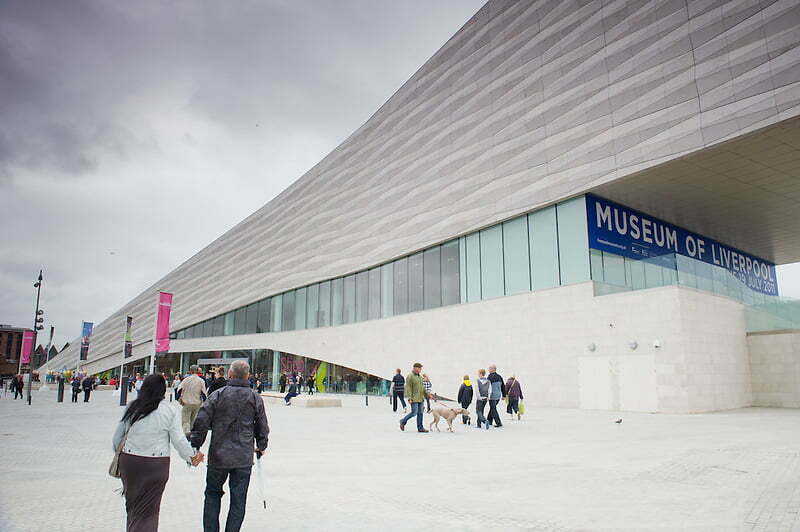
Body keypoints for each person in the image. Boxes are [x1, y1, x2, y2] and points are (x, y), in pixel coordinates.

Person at [112, 374, 204, 531]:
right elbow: (179, 441)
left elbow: (117, 438)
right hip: (155, 465)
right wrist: (192, 456)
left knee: (133, 506)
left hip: (130, 462)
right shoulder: (169, 411)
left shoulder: (133, 407)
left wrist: (121, 455)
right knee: (149, 511)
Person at [190, 360, 269, 532]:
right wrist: (261, 444)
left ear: (230, 375)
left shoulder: (218, 395)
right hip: (242, 458)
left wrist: (195, 445)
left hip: (218, 456)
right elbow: (262, 425)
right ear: (248, 376)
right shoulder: (255, 397)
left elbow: (202, 421)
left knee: (212, 494)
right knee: (238, 500)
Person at [176, 365, 207, 434]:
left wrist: (179, 398)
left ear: (190, 371)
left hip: (186, 402)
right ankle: (192, 431)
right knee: (193, 419)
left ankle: (186, 433)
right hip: (197, 403)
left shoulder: (186, 380)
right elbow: (204, 393)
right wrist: (204, 402)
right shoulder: (201, 380)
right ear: (197, 370)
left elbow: (179, 390)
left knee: (185, 420)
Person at [399, 363, 429, 433]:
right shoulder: (410, 376)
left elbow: (422, 388)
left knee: (420, 413)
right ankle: (403, 421)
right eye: (420, 368)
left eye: (421, 369)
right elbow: (408, 388)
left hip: (421, 398)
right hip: (414, 398)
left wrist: (427, 395)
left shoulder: (420, 377)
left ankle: (420, 428)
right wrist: (409, 398)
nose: (420, 370)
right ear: (415, 368)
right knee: (414, 412)